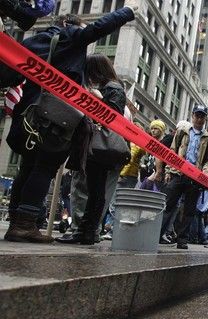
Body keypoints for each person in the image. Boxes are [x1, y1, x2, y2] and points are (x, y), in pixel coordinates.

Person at [3, 7, 135, 243]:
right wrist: (127, 12)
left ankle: (16, 222)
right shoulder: (70, 37)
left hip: (28, 114)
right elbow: (98, 28)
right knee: (44, 167)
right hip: (54, 119)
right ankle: (25, 224)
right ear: (70, 26)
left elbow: (12, 75)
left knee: (27, 167)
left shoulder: (35, 42)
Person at [57, 53, 127, 244]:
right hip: (97, 145)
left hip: (102, 146)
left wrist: (96, 100)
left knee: (96, 190)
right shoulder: (110, 88)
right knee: (95, 189)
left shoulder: (113, 89)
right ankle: (86, 231)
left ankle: (87, 230)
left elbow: (113, 117)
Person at [157, 105, 208, 250]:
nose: (199, 119)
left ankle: (182, 239)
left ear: (205, 118)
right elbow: (173, 151)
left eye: (202, 116)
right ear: (192, 116)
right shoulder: (182, 132)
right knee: (169, 205)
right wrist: (169, 170)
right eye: (197, 115)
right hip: (178, 173)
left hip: (195, 178)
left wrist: (206, 170)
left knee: (189, 210)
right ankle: (157, 234)